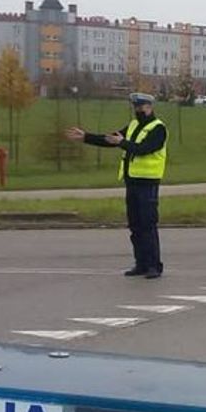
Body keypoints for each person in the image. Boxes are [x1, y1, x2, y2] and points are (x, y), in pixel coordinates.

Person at [66, 92, 168, 278]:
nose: (137, 110)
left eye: (140, 107)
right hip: (132, 181)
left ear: (149, 107)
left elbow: (144, 149)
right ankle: (141, 263)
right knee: (135, 225)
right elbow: (111, 139)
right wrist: (86, 137)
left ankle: (154, 265)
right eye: (135, 107)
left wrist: (123, 143)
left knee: (148, 225)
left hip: (148, 183)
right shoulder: (134, 125)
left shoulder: (158, 128)